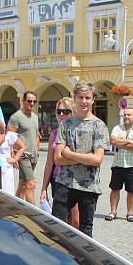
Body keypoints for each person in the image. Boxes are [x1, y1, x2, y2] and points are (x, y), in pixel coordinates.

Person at [52, 81, 107, 237]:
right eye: (80, 97)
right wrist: (86, 157)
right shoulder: (65, 125)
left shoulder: (99, 125)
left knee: (85, 231)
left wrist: (69, 154)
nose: (84, 101)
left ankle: (83, 261)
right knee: (58, 228)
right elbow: (58, 159)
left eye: (87, 97)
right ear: (74, 98)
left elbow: (97, 160)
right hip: (65, 182)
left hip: (89, 186)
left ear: (92, 99)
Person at [40, 97, 79, 229]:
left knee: (76, 221)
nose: (61, 115)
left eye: (66, 111)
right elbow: (50, 163)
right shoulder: (54, 134)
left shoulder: (78, 132)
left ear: (73, 112)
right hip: (57, 180)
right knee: (61, 221)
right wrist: (44, 188)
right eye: (59, 111)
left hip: (76, 180)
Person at [106, 107, 133, 222]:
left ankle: (130, 213)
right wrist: (130, 142)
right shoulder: (117, 128)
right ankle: (113, 212)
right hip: (118, 164)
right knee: (114, 189)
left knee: (132, 191)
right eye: (125, 115)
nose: (126, 117)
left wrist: (121, 143)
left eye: (129, 115)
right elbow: (113, 141)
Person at [8, 91, 41, 204]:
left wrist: (37, 149)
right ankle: (34, 214)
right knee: (31, 184)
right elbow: (10, 137)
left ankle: (15, 206)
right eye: (29, 101)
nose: (32, 103)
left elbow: (36, 134)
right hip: (23, 155)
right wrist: (13, 155)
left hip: (33, 156)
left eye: (34, 101)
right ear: (23, 101)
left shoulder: (35, 117)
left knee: (23, 185)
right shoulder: (16, 117)